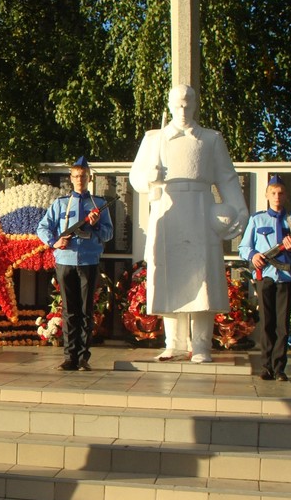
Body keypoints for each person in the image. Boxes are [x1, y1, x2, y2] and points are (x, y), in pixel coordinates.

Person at [129, 84, 249, 364]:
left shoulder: (210, 139)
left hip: (200, 210)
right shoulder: (154, 139)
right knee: (170, 277)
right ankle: (174, 344)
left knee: (202, 278)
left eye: (187, 105)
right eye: (178, 105)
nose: (183, 110)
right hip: (167, 209)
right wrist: (150, 177)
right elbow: (136, 178)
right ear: (170, 106)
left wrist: (239, 211)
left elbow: (227, 178)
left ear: (195, 105)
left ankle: (201, 345)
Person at [37, 157, 114, 371]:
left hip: (89, 261)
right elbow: (42, 228)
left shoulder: (98, 205)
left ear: (89, 178)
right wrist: (54, 242)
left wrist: (96, 226)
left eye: (83, 176)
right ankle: (69, 357)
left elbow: (108, 234)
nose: (80, 179)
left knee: (86, 311)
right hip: (65, 261)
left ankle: (82, 358)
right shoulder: (61, 204)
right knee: (69, 311)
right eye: (76, 176)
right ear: (71, 179)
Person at [239, 176, 291, 381]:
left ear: (286, 196)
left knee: (282, 326)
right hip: (265, 276)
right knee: (267, 323)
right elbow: (244, 247)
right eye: (273, 193)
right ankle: (266, 366)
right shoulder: (257, 219)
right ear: (267, 195)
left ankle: (279, 368)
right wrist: (254, 256)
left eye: (281, 193)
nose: (277, 197)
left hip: (286, 277)